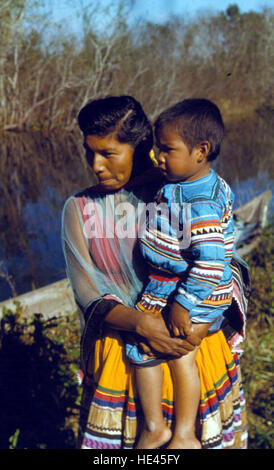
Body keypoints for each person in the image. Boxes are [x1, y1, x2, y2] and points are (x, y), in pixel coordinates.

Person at [61, 95, 248, 449]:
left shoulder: (174, 191)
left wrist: (201, 325)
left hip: (191, 345)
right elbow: (87, 296)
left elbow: (226, 262)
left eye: (109, 154)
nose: (96, 165)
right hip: (123, 357)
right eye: (90, 152)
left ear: (142, 148)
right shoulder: (80, 209)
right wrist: (142, 324)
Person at [124, 98, 236, 449]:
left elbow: (210, 262)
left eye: (167, 150)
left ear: (200, 151)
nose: (159, 157)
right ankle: (183, 433)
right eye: (158, 148)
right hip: (197, 287)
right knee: (181, 353)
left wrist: (182, 305)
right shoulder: (191, 181)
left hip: (190, 289)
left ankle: (163, 428)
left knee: (148, 349)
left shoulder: (199, 203)